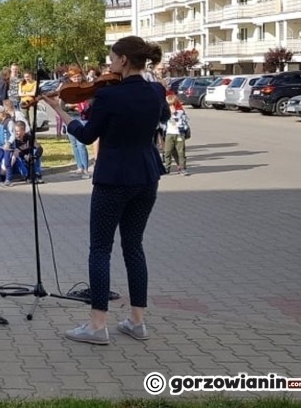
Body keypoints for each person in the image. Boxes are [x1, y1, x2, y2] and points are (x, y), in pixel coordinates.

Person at [41, 35, 169, 345]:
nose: (107, 67)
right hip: (147, 175)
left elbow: (86, 136)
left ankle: (98, 326)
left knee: (100, 249)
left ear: (124, 60)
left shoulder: (110, 98)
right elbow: (161, 118)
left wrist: (58, 109)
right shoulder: (156, 90)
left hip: (113, 178)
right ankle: (137, 321)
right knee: (134, 246)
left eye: (112, 59)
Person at [162, 94, 191, 176]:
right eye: (168, 105)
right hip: (169, 134)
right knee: (168, 151)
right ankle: (167, 168)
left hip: (179, 134)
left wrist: (173, 114)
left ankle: (182, 168)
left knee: (181, 152)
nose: (170, 106)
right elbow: (162, 122)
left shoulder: (180, 112)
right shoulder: (165, 112)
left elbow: (182, 123)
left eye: (172, 104)